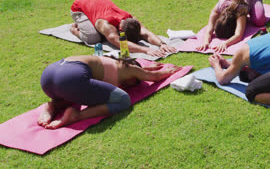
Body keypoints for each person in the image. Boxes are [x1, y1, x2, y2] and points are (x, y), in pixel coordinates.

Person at [38, 55, 181, 129]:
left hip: (49, 76)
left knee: (76, 91)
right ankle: (77, 115)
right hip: (71, 79)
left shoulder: (111, 61)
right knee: (124, 99)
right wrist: (167, 71)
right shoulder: (129, 68)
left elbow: (139, 71)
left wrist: (147, 68)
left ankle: (52, 106)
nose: (133, 85)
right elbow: (154, 78)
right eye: (137, 81)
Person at [70, 0, 176, 57]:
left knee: (101, 36)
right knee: (93, 38)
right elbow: (119, 43)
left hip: (98, 1)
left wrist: (161, 44)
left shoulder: (131, 19)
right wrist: (146, 50)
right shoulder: (107, 25)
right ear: (120, 30)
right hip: (79, 8)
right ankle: (74, 28)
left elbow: (146, 33)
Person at [196, 0, 266, 53]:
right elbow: (209, 29)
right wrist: (205, 42)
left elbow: (238, 35)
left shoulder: (240, 10)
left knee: (259, 21)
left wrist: (225, 44)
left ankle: (251, 6)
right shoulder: (217, 10)